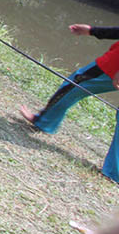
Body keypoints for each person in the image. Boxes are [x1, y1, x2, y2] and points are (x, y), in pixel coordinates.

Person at [20, 23, 119, 183]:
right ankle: (114, 172)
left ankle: (44, 122)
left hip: (113, 66)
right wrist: (92, 31)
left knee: (75, 84)